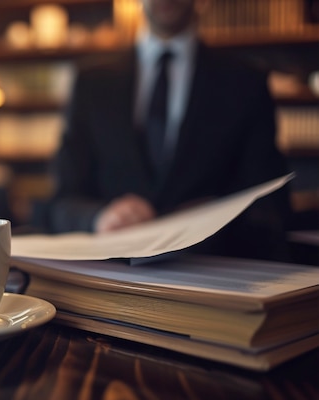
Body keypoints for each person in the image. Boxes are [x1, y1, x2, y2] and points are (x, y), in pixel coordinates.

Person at [39, 0, 293, 261]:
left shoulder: (246, 82)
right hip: (113, 271)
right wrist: (98, 217)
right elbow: (61, 202)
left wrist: (210, 219)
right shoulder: (90, 82)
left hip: (210, 271)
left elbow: (270, 205)